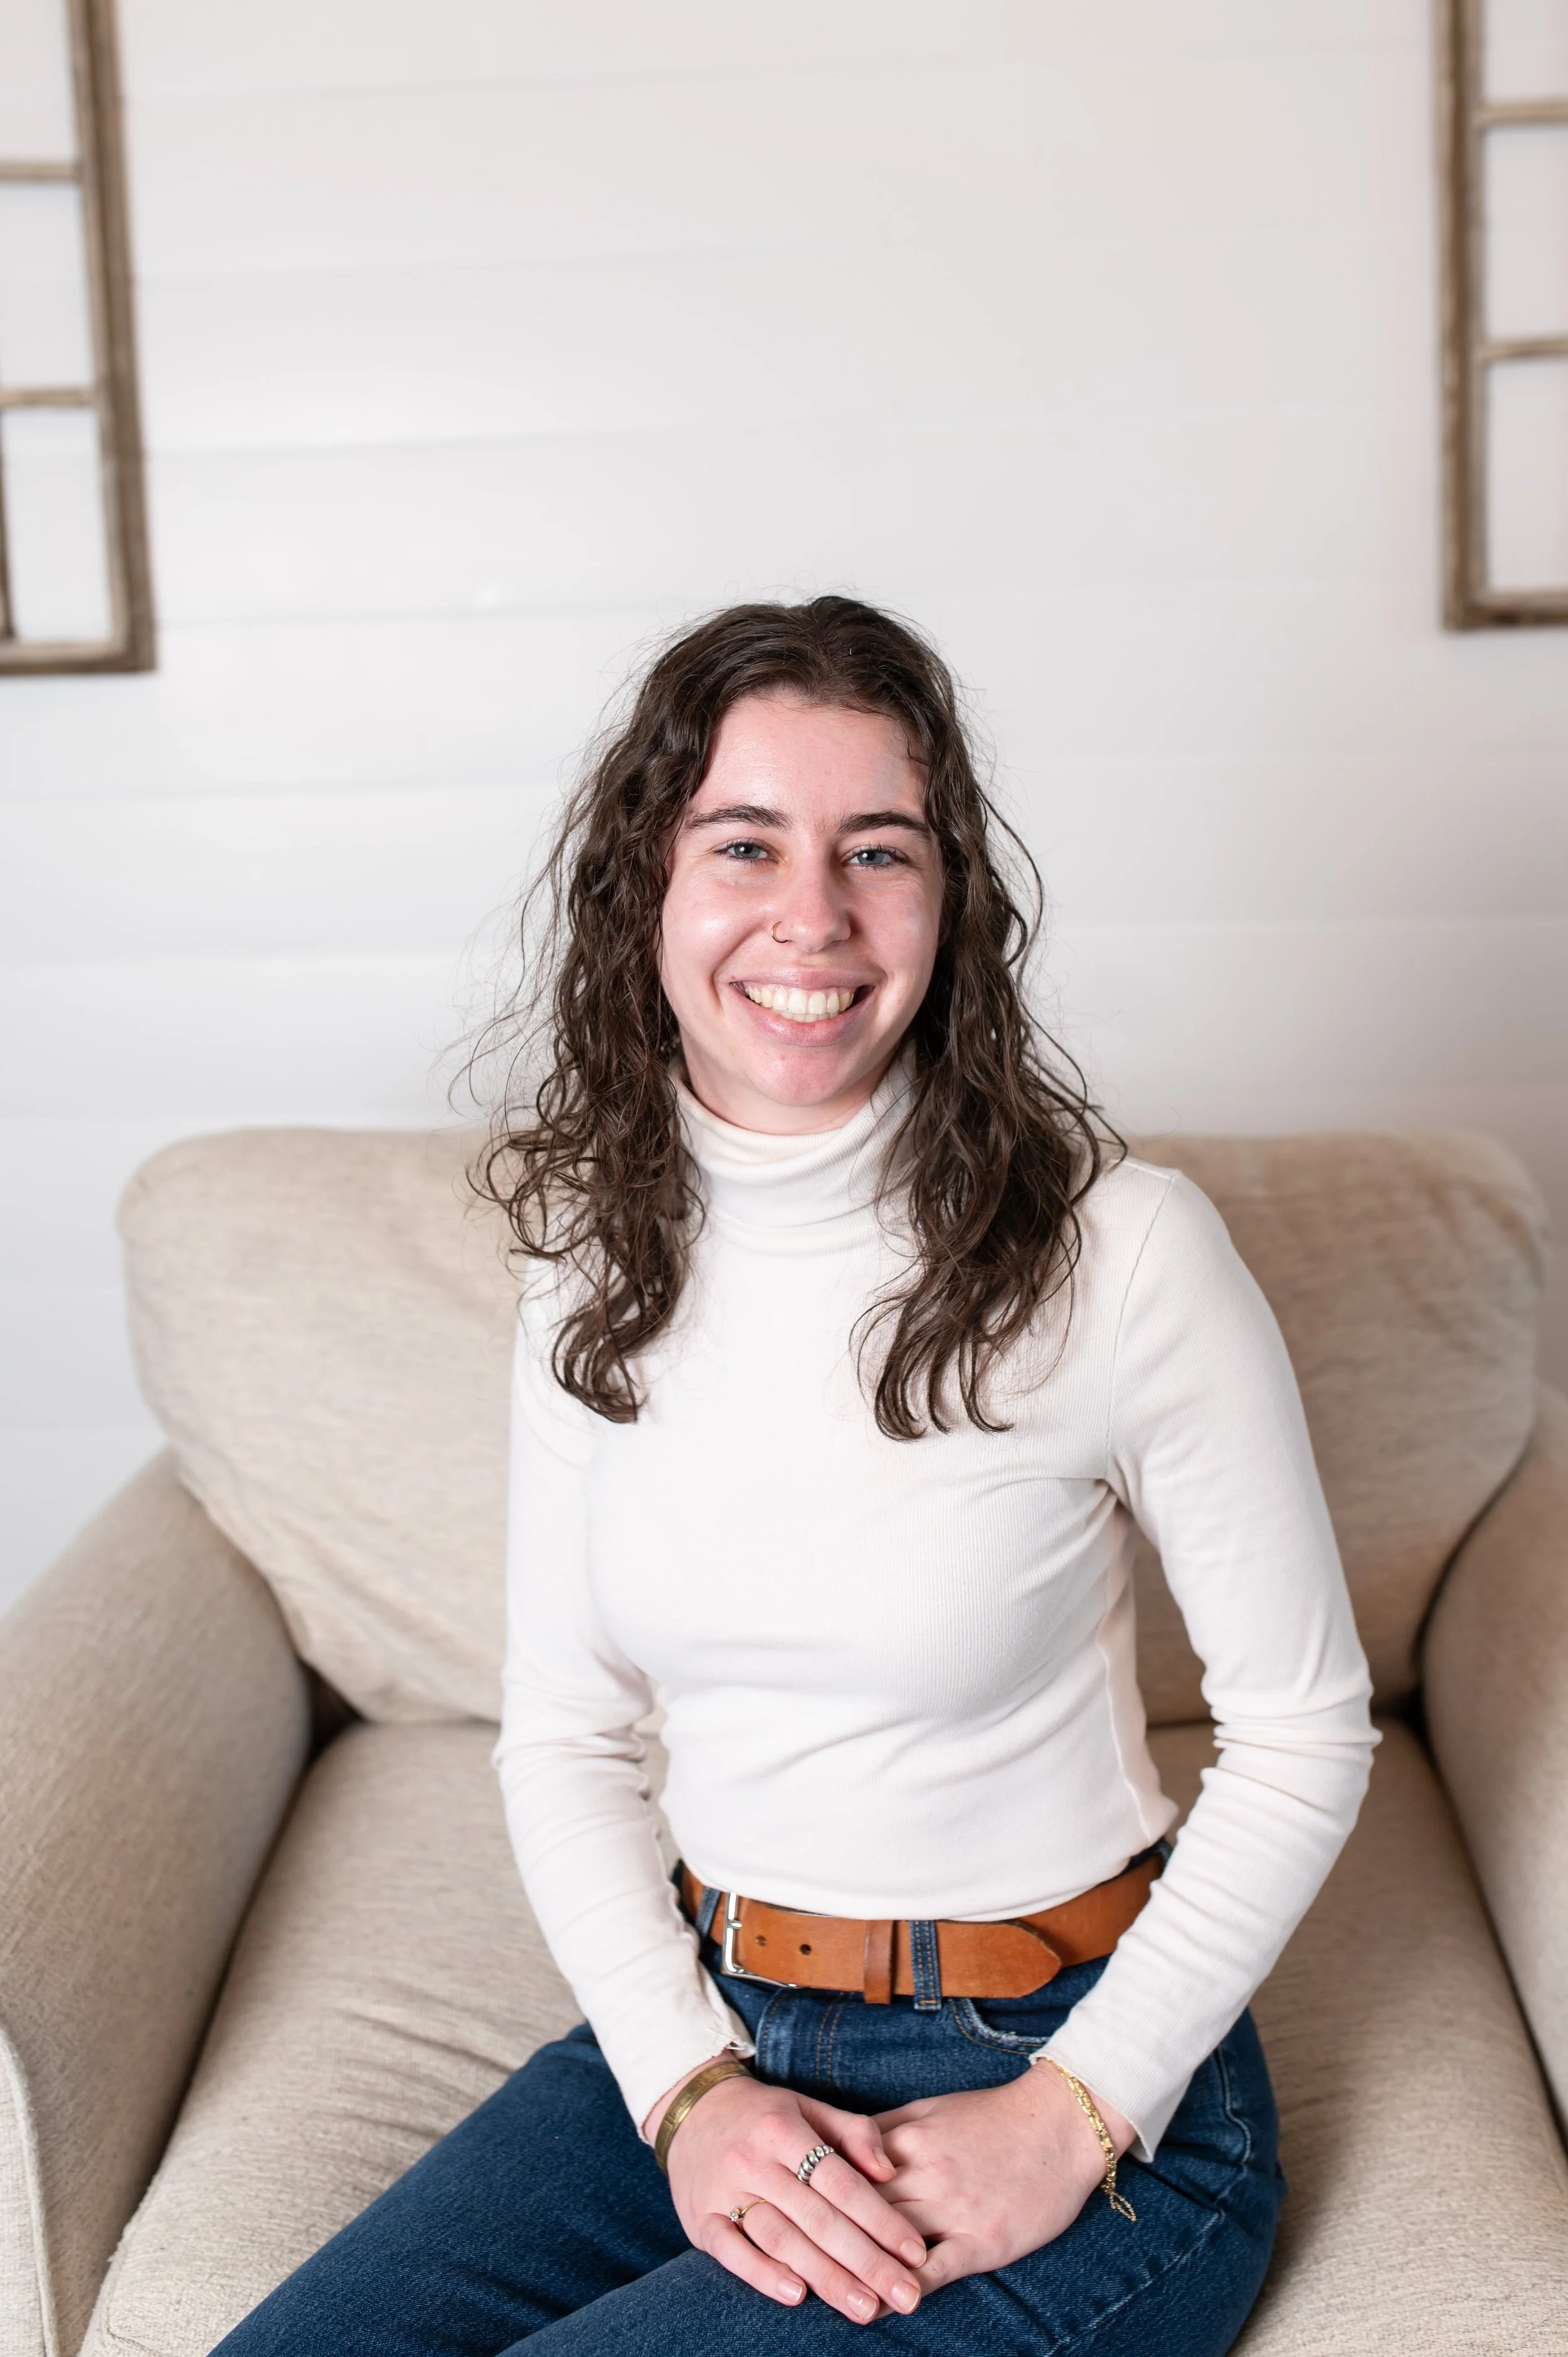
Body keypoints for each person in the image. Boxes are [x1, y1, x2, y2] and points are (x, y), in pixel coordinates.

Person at [215, 597, 1375, 2354]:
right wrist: (686, 2090)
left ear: (949, 898)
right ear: (649, 893)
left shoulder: (1119, 1254)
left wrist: (1075, 2110)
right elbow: (567, 1733)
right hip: (720, 2025)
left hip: (1061, 2074)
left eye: (878, 850)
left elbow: (1301, 1728)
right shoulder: (590, 1267)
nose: (812, 915)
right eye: (743, 841)